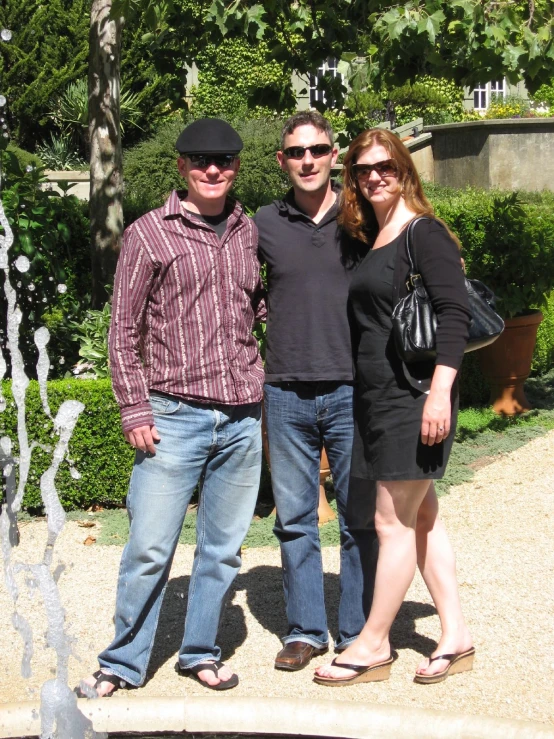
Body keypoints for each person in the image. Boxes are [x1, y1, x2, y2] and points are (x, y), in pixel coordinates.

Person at [77, 118, 265, 696]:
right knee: (149, 549)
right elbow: (121, 331)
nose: (214, 170)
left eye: (225, 161)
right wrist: (134, 410)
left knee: (222, 552)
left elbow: (258, 309)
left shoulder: (247, 231)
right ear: (181, 167)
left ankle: (200, 652)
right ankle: (122, 663)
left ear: (235, 167)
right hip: (173, 418)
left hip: (241, 417)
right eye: (202, 160)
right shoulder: (147, 234)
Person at [314, 128, 474, 686]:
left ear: (404, 169)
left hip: (415, 394)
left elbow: (454, 314)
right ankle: (456, 635)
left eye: (384, 166)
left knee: (391, 520)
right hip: (379, 396)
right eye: (362, 169)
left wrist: (438, 392)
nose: (374, 176)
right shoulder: (378, 235)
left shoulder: (423, 233)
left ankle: (374, 642)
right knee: (423, 516)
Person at [254, 111, 378, 671]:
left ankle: (355, 629)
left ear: (334, 156)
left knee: (359, 519)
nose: (307, 160)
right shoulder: (262, 222)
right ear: (282, 161)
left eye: (318, 150)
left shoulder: (363, 220)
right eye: (296, 152)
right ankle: (306, 630)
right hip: (284, 390)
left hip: (353, 388)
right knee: (296, 518)